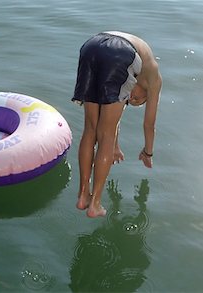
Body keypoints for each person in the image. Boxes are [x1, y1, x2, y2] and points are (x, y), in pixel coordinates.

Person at [71, 31, 162, 218]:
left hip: (92, 46)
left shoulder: (137, 75)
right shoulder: (154, 79)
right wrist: (148, 152)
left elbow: (114, 113)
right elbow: (149, 124)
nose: (132, 99)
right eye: (137, 99)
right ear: (146, 94)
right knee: (105, 135)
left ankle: (83, 196)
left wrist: (116, 147)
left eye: (132, 101)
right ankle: (94, 203)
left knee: (91, 130)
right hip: (121, 53)